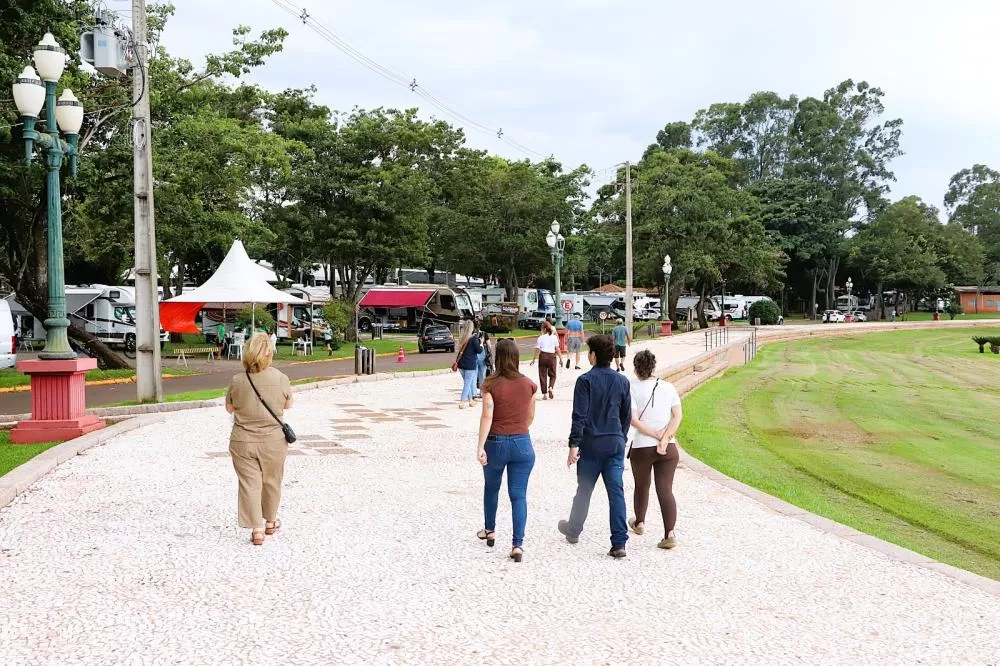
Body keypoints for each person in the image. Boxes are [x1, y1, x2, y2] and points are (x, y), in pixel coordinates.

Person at [557, 334, 632, 558]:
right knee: (616, 492)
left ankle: (574, 529)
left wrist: (573, 444)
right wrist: (621, 437)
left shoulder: (585, 381)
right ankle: (619, 542)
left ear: (594, 355)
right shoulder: (622, 381)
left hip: (591, 444)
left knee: (585, 489)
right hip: (615, 442)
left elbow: (579, 415)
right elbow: (626, 416)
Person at [225, 332, 293, 546]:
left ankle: (256, 529)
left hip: (242, 441)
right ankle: (271, 521)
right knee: (272, 481)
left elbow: (229, 408)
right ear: (269, 354)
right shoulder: (281, 378)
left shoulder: (237, 380)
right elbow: (288, 405)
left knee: (249, 483)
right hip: (273, 441)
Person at [475, 339, 537, 563]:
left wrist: (480, 446)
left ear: (497, 356)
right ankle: (517, 545)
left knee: (491, 488)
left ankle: (490, 530)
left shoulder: (490, 384)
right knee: (518, 495)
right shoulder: (529, 384)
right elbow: (530, 417)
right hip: (522, 443)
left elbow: (487, 416)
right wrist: (518, 431)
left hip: (496, 443)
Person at [627, 349, 683, 549]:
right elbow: (677, 416)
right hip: (668, 448)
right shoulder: (668, 387)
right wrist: (665, 437)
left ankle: (639, 522)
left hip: (642, 446)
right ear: (653, 366)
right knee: (665, 489)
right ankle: (670, 533)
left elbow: (633, 420)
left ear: (636, 368)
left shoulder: (631, 388)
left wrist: (656, 435)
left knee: (642, 485)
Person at [529, 321, 561, 400]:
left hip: (543, 356)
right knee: (553, 374)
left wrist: (533, 359)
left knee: (542, 375)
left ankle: (544, 394)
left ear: (544, 329)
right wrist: (560, 358)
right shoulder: (554, 337)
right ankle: (551, 387)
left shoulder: (541, 337)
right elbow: (557, 348)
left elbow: (537, 349)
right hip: (552, 356)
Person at [454, 319, 482, 409]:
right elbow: (479, 350)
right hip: (470, 364)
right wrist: (481, 343)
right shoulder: (474, 339)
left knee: (468, 383)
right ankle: (462, 402)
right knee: (467, 384)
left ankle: (471, 401)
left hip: (461, 364)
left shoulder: (462, 338)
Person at [474, 319, 492, 399]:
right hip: (482, 356)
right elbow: (489, 346)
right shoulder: (484, 334)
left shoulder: (472, 335)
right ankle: (482, 393)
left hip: (473, 356)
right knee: (482, 375)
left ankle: (473, 392)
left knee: (474, 375)